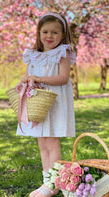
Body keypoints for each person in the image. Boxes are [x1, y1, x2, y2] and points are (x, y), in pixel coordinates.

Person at [17, 12, 76, 197]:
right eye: (45, 32)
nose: (49, 36)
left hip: (54, 102)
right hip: (38, 104)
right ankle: (47, 182)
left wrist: (39, 78)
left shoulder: (62, 52)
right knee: (42, 143)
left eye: (54, 33)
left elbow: (63, 78)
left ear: (63, 35)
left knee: (52, 142)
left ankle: (54, 182)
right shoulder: (32, 55)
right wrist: (25, 81)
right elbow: (29, 75)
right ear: (39, 33)